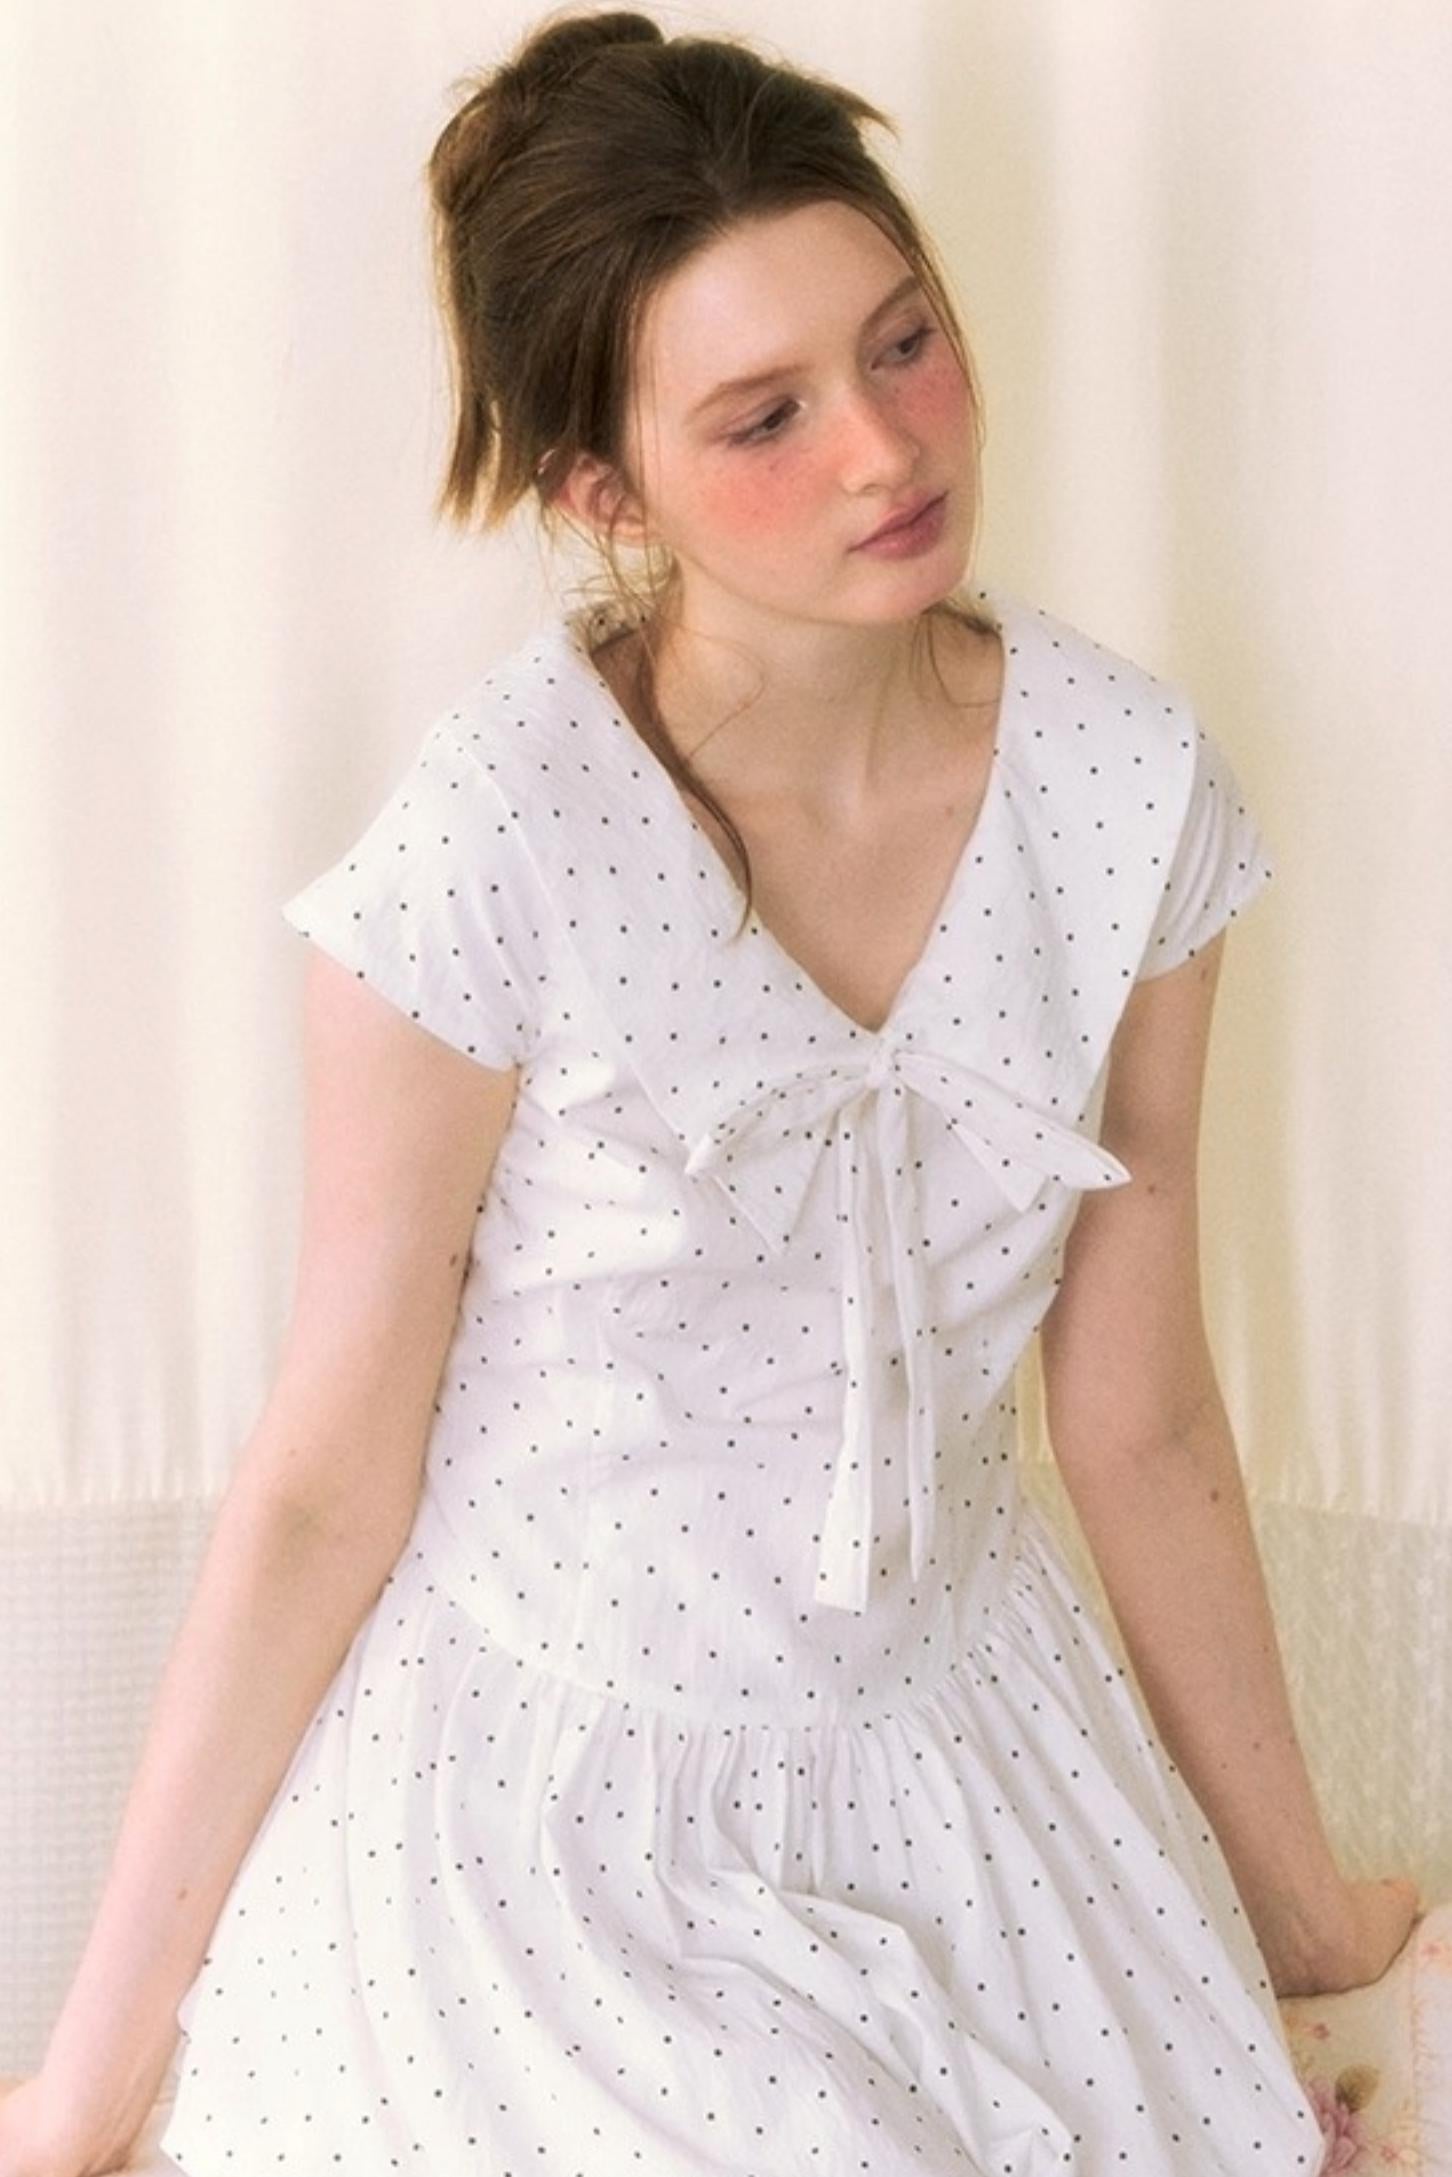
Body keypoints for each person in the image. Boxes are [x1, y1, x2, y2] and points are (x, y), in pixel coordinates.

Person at [0, 8, 1423, 2174]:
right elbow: (320, 1487)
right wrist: (83, 2089)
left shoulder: (1127, 788)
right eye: (766, 415)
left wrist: (1309, 1923)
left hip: (971, 1769)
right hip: (541, 1819)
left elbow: (1136, 1415)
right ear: (606, 489)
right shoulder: (497, 837)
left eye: (905, 341)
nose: (885, 449)